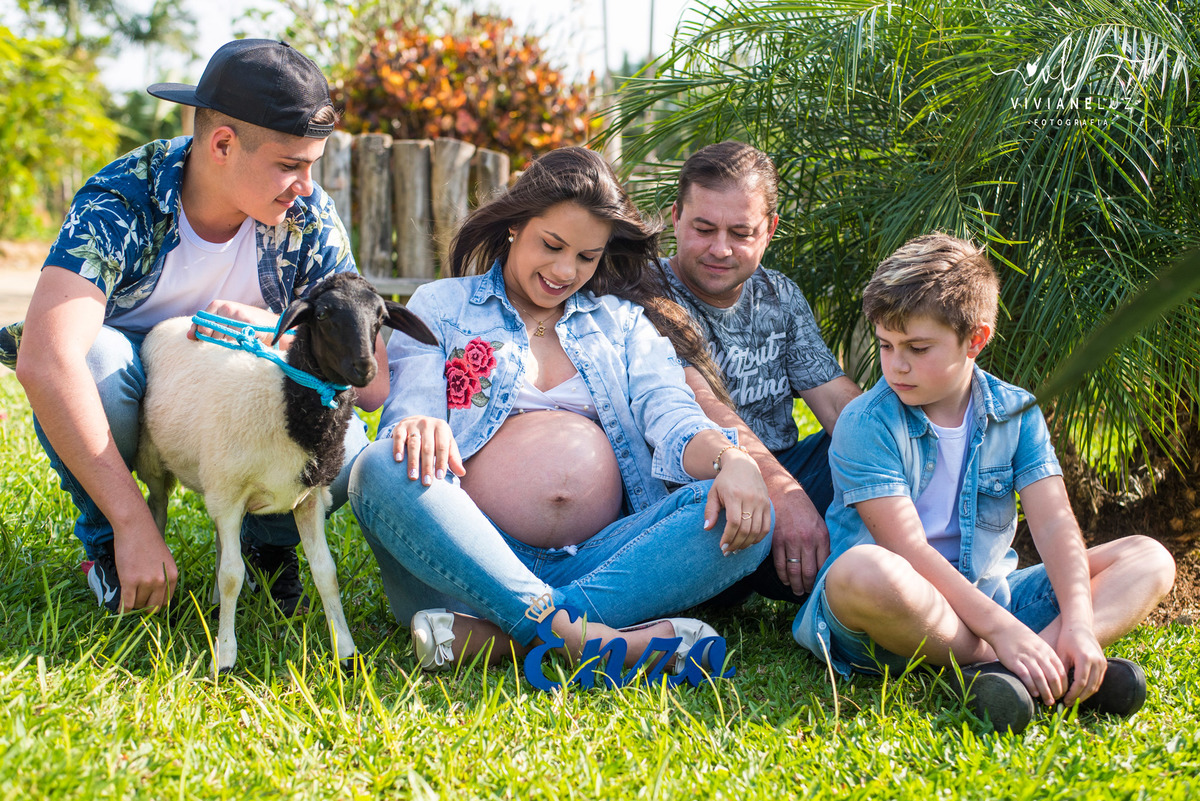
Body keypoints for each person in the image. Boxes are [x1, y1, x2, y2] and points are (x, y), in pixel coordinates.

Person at [348, 146, 774, 673]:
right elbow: (411, 412)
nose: (564, 270)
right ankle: (592, 639)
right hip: (469, 561)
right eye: (551, 245)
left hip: (604, 558)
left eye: (586, 257)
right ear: (515, 225)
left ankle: (509, 636)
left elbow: (673, 416)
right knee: (379, 468)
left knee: (745, 508)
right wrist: (417, 419)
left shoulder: (621, 324)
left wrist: (731, 461)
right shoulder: (442, 305)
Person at [3, 40, 389, 615]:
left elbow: (372, 384)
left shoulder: (309, 217)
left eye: (311, 166)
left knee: (344, 444)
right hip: (142, 380)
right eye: (289, 165)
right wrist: (133, 520)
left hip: (240, 388)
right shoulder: (122, 201)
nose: (306, 186)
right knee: (96, 363)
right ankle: (113, 540)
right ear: (223, 144)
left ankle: (268, 547)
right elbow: (45, 358)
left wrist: (271, 327)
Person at [792, 233, 1176, 731]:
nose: (897, 364)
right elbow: (908, 551)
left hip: (989, 596)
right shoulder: (866, 423)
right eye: (887, 345)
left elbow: (1055, 524)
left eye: (918, 347)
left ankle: (1036, 665)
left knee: (1149, 557)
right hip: (892, 617)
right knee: (862, 570)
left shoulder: (1014, 410)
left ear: (976, 339)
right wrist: (1003, 632)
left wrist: (1080, 623)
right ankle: (1013, 664)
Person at [659, 141, 861, 602]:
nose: (720, 249)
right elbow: (702, 409)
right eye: (703, 228)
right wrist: (784, 496)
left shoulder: (780, 296)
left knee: (875, 435)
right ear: (675, 217)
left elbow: (836, 402)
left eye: (741, 232)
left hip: (784, 469)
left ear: (769, 229)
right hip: (696, 490)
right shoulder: (647, 296)